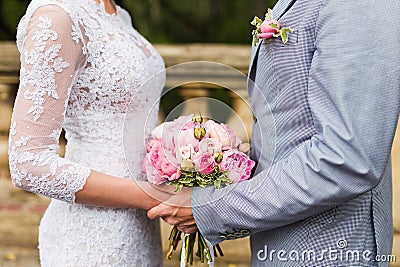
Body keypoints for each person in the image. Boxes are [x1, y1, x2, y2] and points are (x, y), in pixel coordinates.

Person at [148, 0, 400, 266]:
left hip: (330, 250)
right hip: (281, 244)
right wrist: (228, 163)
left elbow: (347, 158)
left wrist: (212, 207)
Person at [8, 0, 170, 266]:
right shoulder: (56, 16)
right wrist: (156, 197)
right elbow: (27, 163)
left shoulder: (120, 16)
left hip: (141, 232)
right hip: (90, 237)